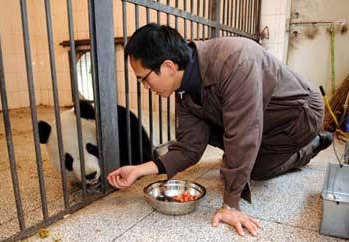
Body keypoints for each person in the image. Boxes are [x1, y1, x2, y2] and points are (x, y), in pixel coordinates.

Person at [107, 23, 333, 236]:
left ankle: (310, 147)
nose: (146, 87)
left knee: (255, 171)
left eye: (144, 79)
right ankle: (271, 154)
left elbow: (243, 133)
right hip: (263, 119)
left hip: (299, 116)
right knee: (240, 160)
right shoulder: (184, 92)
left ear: (168, 66)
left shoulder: (235, 60)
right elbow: (189, 147)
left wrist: (230, 205)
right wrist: (138, 170)